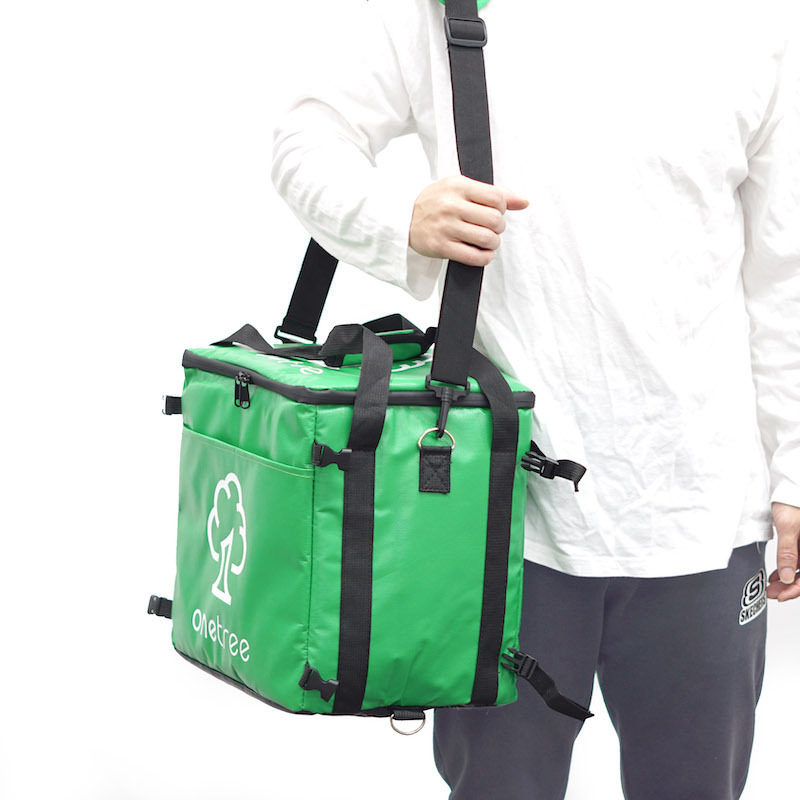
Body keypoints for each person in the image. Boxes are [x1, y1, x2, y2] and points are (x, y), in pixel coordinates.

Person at [270, 0, 799, 797]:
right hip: (501, 525)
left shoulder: (753, 22)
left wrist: (795, 466)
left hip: (703, 510)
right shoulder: (443, 8)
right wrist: (396, 218)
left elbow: (784, 272)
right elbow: (307, 135)